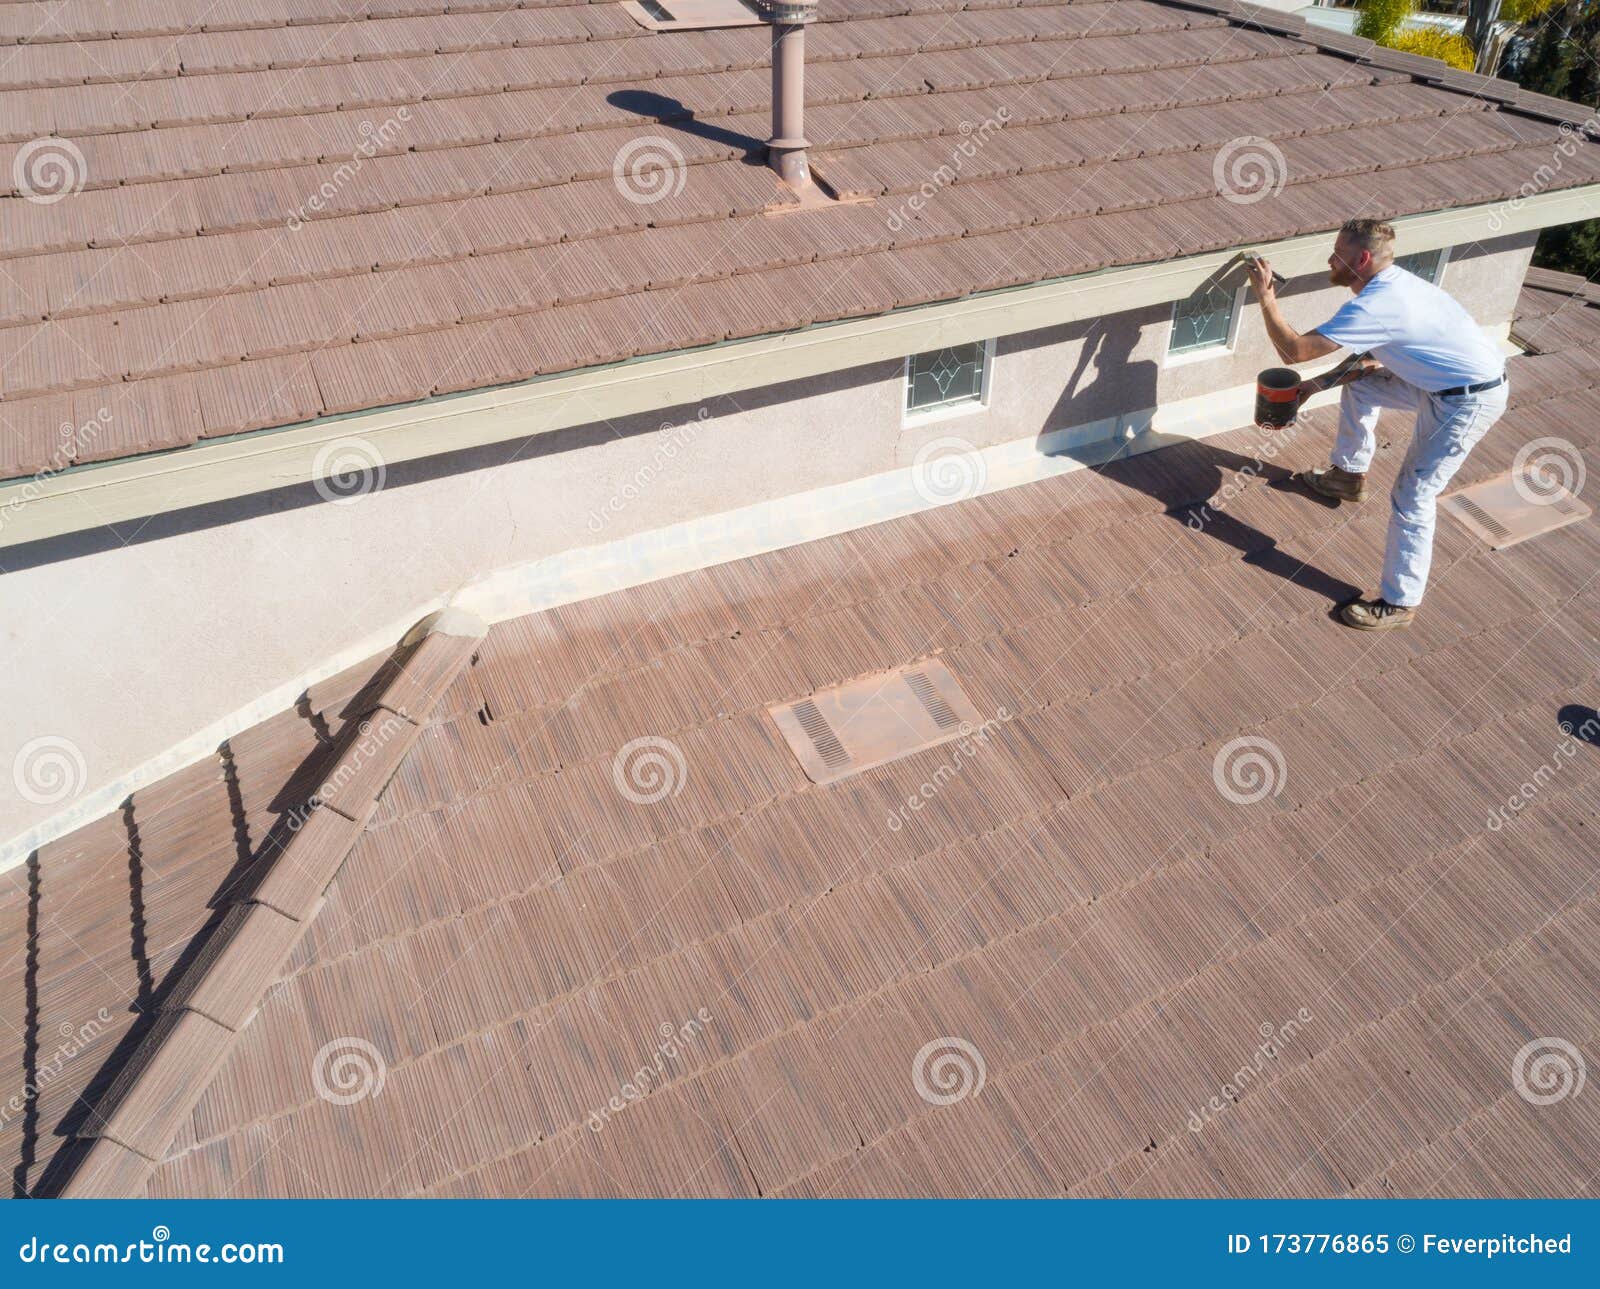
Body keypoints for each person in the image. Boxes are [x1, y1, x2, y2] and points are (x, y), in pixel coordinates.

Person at [1245, 219, 1508, 631]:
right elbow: (1366, 361)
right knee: (1364, 388)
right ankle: (1346, 477)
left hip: (1466, 402)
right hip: (1441, 384)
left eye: (1338, 254)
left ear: (1362, 259)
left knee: (1413, 496)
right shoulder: (1395, 285)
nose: (1330, 260)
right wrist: (1314, 387)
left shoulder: (1378, 304)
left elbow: (1293, 351)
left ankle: (1400, 603)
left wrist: (1265, 297)